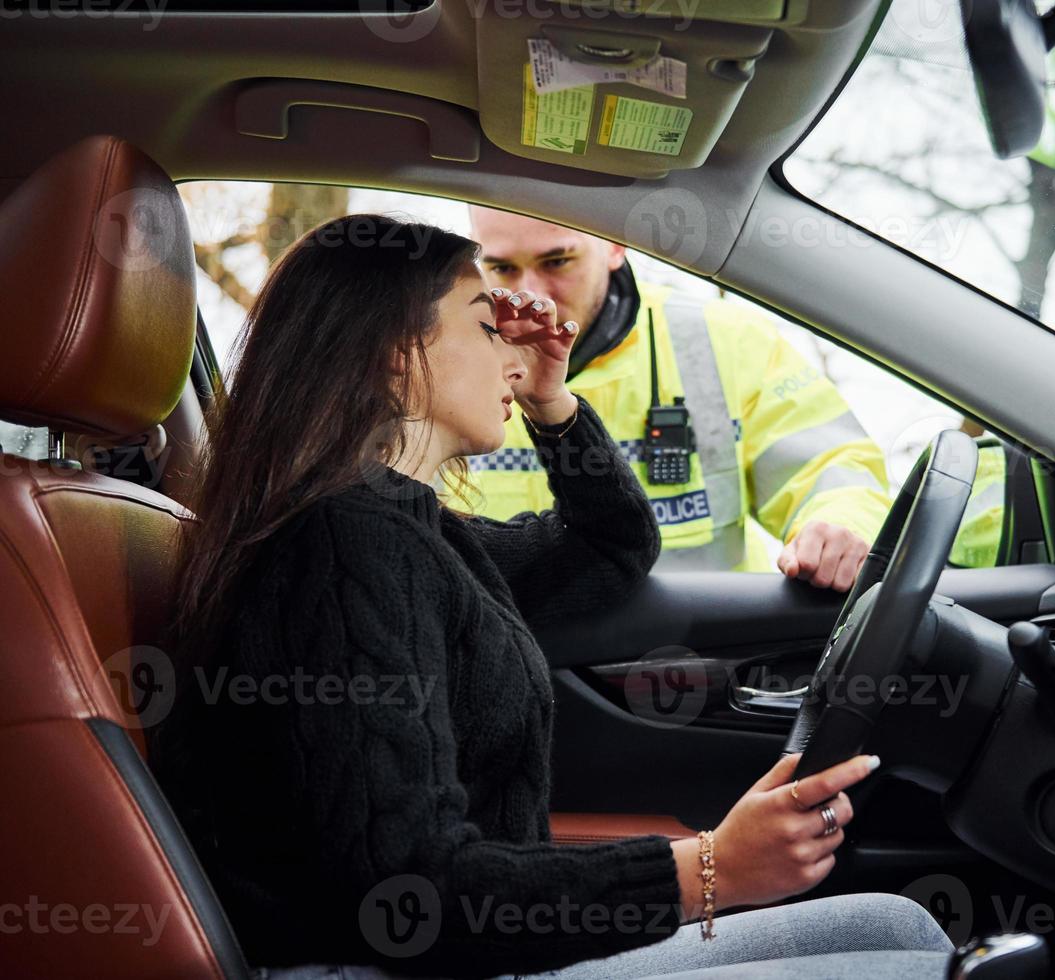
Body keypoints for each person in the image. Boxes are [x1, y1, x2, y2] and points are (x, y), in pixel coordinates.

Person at [149, 215, 954, 979]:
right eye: (486, 324)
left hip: (482, 953)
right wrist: (707, 870)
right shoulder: (340, 546)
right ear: (398, 351)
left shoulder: (412, 529)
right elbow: (405, 888)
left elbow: (611, 547)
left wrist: (553, 406)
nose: (514, 352)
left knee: (898, 927)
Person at [458, 207, 892, 592]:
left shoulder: (724, 340)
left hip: (709, 657)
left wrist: (840, 526)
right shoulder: (440, 364)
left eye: (557, 260)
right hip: (526, 663)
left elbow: (831, 467)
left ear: (613, 245)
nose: (534, 292)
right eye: (502, 269)